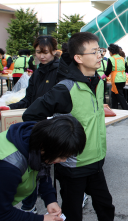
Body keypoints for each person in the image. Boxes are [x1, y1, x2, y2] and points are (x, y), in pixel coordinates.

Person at [22, 32, 115, 221]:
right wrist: (55, 143)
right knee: (73, 214)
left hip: (96, 160)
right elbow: (30, 115)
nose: (100, 56)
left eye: (100, 51)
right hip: (72, 165)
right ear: (78, 58)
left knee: (106, 208)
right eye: (94, 52)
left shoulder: (97, 82)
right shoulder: (65, 88)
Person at [0, 115, 86, 221]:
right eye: (62, 156)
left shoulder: (36, 139)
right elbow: (0, 213)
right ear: (48, 147)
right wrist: (41, 219)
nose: (64, 160)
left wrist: (50, 199)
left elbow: (42, 170)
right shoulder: (7, 165)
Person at [0, 36, 61, 213]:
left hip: (52, 125)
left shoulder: (60, 71)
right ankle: (29, 204)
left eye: (46, 52)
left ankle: (52, 202)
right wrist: (9, 108)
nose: (42, 56)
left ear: (54, 51)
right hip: (35, 125)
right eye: (38, 52)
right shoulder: (37, 72)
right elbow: (28, 100)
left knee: (46, 167)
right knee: (32, 164)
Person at [103, 44, 128, 110]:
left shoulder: (111, 59)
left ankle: (127, 110)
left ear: (111, 51)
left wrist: (101, 77)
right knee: (114, 95)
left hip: (116, 80)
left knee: (120, 95)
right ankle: (114, 109)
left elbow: (108, 71)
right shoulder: (122, 58)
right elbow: (127, 69)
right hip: (122, 79)